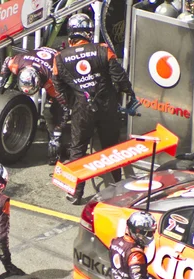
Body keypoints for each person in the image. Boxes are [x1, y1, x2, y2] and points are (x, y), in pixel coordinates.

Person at [52, 13, 137, 205]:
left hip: (82, 109)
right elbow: (120, 77)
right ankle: (117, 188)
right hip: (107, 106)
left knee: (78, 149)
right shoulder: (103, 50)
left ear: (71, 35)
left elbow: (59, 89)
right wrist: (128, 93)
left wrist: (71, 104)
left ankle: (75, 193)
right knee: (112, 148)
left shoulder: (59, 58)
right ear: (88, 33)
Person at [0, 46, 70, 165]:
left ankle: (56, 143)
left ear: (39, 82)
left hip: (58, 58)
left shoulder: (53, 80)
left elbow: (65, 109)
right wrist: (1, 83)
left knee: (52, 111)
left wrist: (56, 135)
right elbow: (7, 60)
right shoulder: (16, 64)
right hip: (32, 59)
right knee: (12, 92)